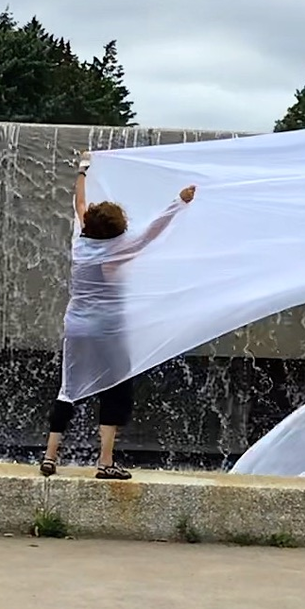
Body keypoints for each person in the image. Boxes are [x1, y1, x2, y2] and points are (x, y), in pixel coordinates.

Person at [40, 150, 195, 480]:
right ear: (117, 230)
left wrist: (82, 170)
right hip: (109, 328)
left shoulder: (80, 243)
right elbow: (152, 232)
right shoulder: (120, 248)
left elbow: (79, 203)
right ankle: (105, 462)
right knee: (116, 388)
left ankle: (50, 456)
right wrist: (178, 202)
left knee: (68, 389)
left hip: (77, 326)